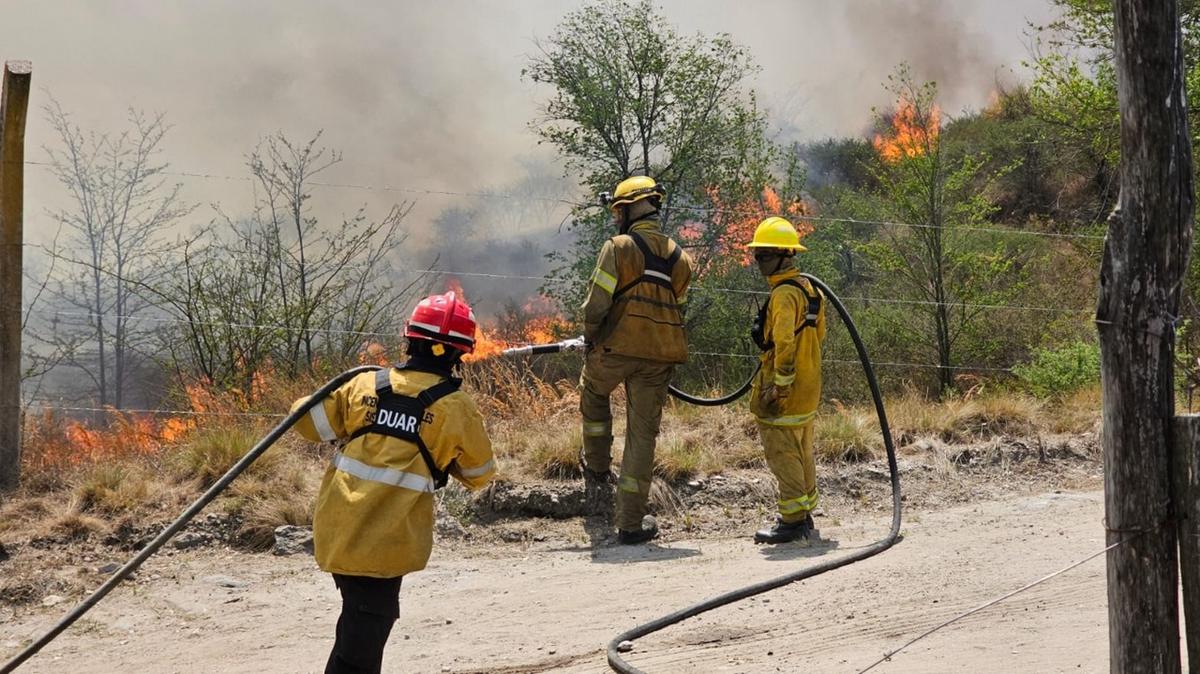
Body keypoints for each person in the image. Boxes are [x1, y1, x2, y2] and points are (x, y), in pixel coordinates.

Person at [290, 291, 496, 673]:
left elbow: (306, 421)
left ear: (409, 339)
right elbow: (479, 475)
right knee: (360, 650)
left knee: (356, 628)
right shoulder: (455, 407)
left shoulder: (365, 385)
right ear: (458, 354)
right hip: (384, 545)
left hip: (338, 531)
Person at [579, 175, 694, 545]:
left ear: (628, 209)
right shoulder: (680, 256)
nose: (616, 218)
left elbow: (597, 304)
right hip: (660, 355)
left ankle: (596, 469)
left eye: (618, 211)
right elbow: (674, 296)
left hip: (616, 348)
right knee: (642, 437)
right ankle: (630, 524)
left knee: (593, 393)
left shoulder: (618, 247)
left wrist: (590, 335)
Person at [746, 217, 827, 544]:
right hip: (810, 385)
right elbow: (819, 335)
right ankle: (805, 512)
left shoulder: (782, 295)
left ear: (783, 255)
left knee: (782, 450)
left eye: (764, 256)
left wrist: (780, 386)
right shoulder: (810, 289)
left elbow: (784, 344)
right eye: (758, 256)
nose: (760, 263)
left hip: (787, 388)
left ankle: (792, 520)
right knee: (802, 447)